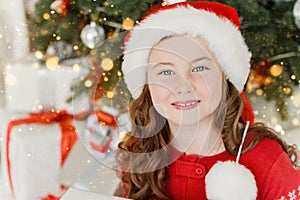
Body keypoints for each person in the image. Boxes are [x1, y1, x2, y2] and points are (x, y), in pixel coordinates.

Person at [116, 1, 300, 199]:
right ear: (147, 86)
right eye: (166, 72)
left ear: (225, 78)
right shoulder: (140, 154)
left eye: (199, 68)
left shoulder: (265, 158)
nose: (183, 85)